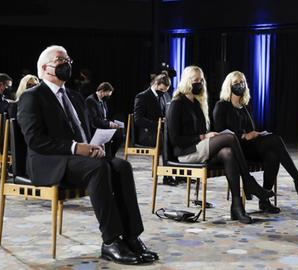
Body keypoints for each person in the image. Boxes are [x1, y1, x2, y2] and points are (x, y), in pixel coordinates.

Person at [17, 45, 158, 265]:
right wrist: (75, 147)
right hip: (49, 162)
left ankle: (131, 236)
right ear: (45, 68)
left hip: (78, 159)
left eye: (68, 60)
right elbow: (36, 141)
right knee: (98, 168)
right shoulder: (32, 97)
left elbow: (84, 131)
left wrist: (95, 144)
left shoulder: (74, 96)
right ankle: (111, 241)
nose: (67, 64)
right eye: (60, 61)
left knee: (122, 167)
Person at [167, 66, 274, 224]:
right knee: (229, 136)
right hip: (186, 152)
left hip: (200, 147)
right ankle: (249, 182)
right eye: (196, 80)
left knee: (228, 153)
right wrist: (204, 136)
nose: (200, 83)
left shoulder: (197, 104)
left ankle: (237, 208)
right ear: (187, 82)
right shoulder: (177, 104)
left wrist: (206, 136)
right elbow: (176, 140)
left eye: (202, 80)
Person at [213, 71, 298, 213]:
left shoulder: (246, 107)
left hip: (250, 147)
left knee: (273, 155)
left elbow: (251, 130)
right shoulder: (221, 106)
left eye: (242, 82)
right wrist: (243, 136)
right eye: (236, 83)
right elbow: (219, 132)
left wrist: (255, 134)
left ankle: (265, 200)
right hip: (235, 149)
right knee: (275, 140)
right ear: (229, 86)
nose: (240, 85)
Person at [134, 72, 178, 186]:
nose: (164, 92)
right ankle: (167, 176)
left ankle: (179, 174)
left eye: (165, 90)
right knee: (166, 139)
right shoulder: (142, 96)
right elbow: (138, 119)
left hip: (162, 131)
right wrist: (157, 124)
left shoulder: (166, 95)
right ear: (156, 84)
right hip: (148, 134)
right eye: (162, 89)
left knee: (176, 136)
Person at [85, 82, 123, 157]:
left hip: (103, 126)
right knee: (113, 136)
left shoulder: (103, 100)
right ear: (101, 91)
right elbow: (94, 120)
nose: (109, 96)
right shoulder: (90, 101)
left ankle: (111, 156)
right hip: (95, 128)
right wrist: (109, 124)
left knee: (120, 135)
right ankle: (108, 156)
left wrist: (111, 123)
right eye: (108, 94)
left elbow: (105, 117)